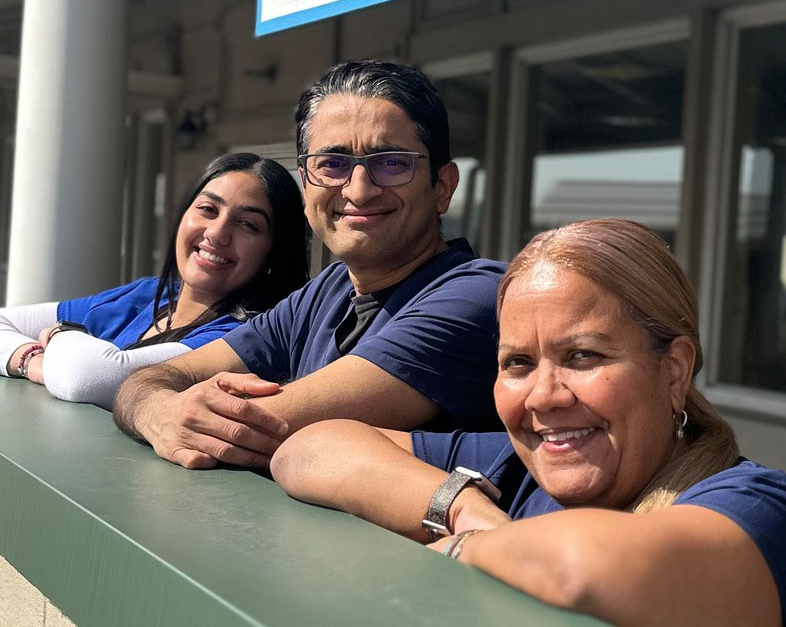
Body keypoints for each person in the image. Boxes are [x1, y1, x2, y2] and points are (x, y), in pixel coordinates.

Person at [270, 219, 786, 627]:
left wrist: (460, 553)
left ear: (673, 371)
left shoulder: (763, 511)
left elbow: (585, 569)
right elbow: (310, 448)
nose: (543, 396)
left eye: (583, 357)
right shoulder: (514, 470)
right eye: (517, 363)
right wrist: (466, 510)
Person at [112, 60, 504, 468]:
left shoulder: (475, 295)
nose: (359, 189)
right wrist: (155, 410)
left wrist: (165, 409)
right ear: (305, 184)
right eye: (332, 164)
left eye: (390, 162)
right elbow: (150, 378)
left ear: (442, 187)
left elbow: (267, 426)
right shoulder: (327, 292)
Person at [0, 151, 308, 408]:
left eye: (248, 224)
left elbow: (89, 376)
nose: (217, 233)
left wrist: (58, 334)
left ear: (275, 253)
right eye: (207, 210)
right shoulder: (147, 294)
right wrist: (32, 361)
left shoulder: (243, 335)